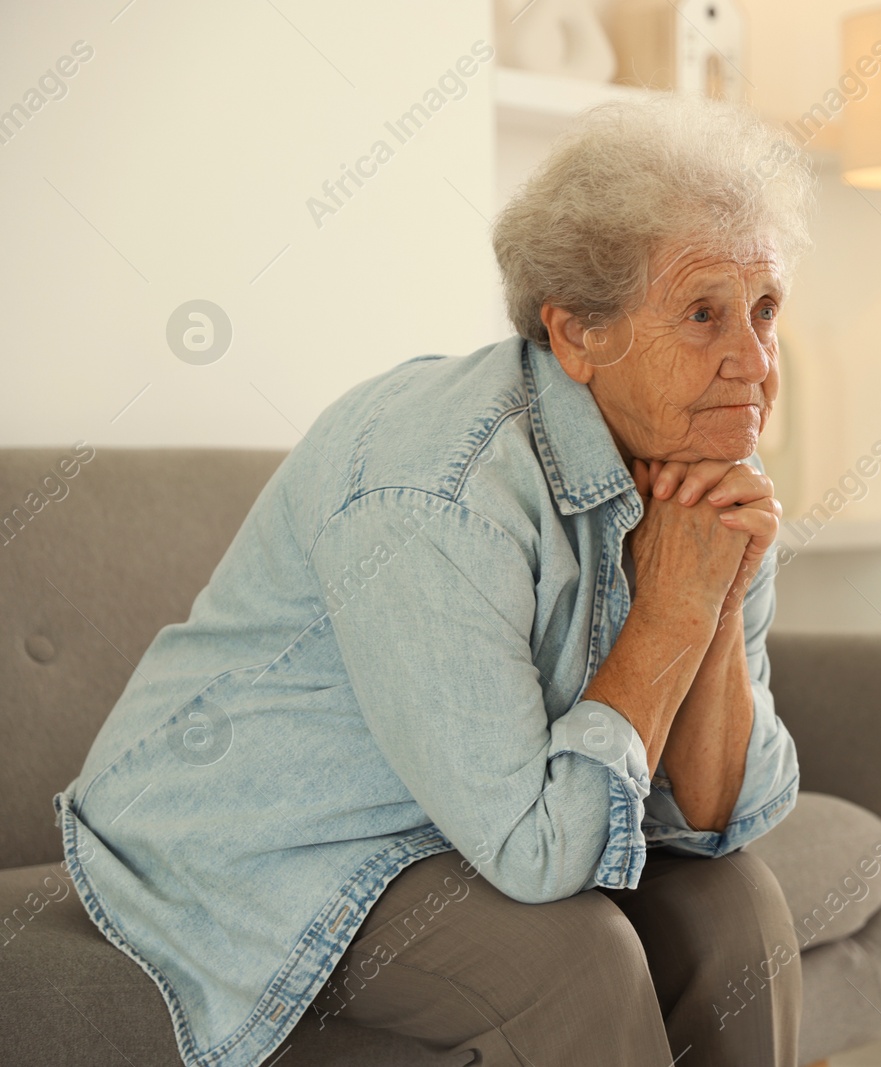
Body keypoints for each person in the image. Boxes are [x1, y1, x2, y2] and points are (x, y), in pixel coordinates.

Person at [53, 92, 815, 1067]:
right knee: (569, 954)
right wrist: (670, 608)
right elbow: (540, 858)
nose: (752, 361)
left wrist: (709, 588)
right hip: (250, 848)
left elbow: (719, 818)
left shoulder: (701, 472)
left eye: (765, 310)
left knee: (734, 903)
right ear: (577, 333)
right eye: (704, 313)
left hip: (465, 820)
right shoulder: (437, 486)